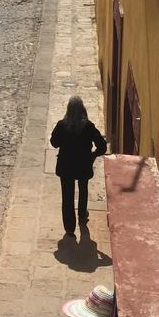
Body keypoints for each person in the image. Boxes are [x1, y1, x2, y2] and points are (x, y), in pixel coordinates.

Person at [50, 97, 107, 234]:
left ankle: (69, 229)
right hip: (83, 165)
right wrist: (93, 155)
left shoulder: (62, 125)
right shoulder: (88, 127)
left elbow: (54, 143)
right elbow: (102, 146)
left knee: (67, 197)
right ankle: (82, 216)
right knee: (83, 190)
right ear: (83, 109)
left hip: (66, 166)